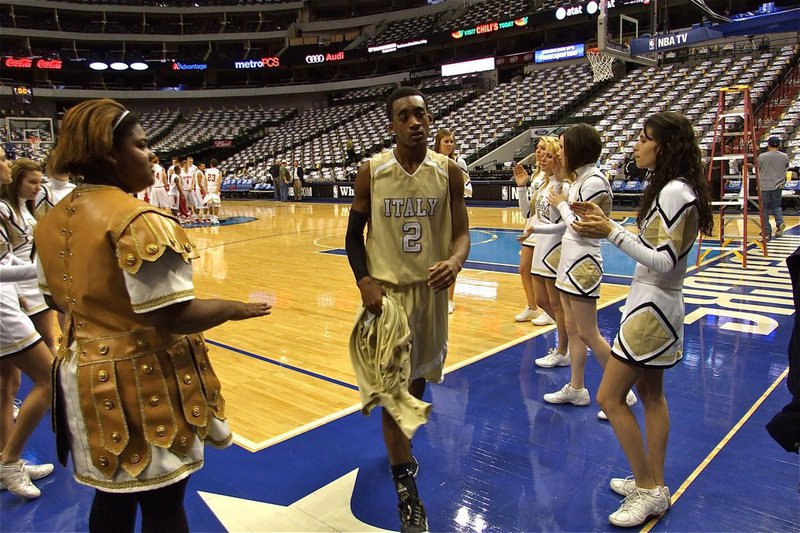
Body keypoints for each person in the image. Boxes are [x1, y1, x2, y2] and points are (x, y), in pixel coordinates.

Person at [34, 99, 271, 532]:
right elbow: (176, 316)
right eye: (142, 146)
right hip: (139, 380)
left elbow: (55, 300)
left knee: (112, 499)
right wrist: (236, 308)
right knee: (164, 505)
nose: (152, 155)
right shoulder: (138, 218)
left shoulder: (47, 221)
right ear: (111, 155)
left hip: (82, 375)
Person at [572, 111, 714, 527]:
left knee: (608, 398)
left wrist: (610, 232)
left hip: (652, 309)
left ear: (664, 147)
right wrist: (608, 227)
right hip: (656, 305)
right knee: (653, 397)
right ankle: (653, 482)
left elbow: (665, 261)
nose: (636, 143)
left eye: (644, 138)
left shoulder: (672, 191)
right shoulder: (678, 188)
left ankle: (648, 489)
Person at [345, 87, 470, 533]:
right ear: (392, 125)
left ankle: (399, 448)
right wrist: (363, 280)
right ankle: (407, 492)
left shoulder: (450, 173)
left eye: (421, 113)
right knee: (395, 395)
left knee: (416, 382)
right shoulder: (371, 173)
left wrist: (455, 262)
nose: (415, 121)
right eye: (404, 115)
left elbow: (462, 234)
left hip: (431, 297)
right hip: (389, 300)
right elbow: (352, 236)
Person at [541, 124, 636, 420]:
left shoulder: (594, 181)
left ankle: (624, 391)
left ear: (577, 149)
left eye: (562, 147)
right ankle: (577, 388)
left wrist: (561, 205)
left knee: (589, 332)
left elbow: (582, 227)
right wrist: (559, 182)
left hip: (583, 263)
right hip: (570, 261)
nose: (559, 152)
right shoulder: (582, 178)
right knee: (574, 330)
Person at [0, 147, 55, 499]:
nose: (6, 161)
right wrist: (40, 273)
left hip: (9, 299)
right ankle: (11, 460)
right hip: (2, 310)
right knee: (50, 377)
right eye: (0, 159)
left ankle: (6, 462)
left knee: (7, 386)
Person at [514, 136, 571, 368]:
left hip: (553, 246)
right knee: (541, 300)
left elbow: (564, 222)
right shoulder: (542, 183)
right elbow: (528, 214)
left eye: (549, 155)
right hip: (540, 243)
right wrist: (521, 188)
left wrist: (535, 228)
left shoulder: (563, 186)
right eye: (541, 154)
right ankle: (567, 338)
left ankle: (564, 348)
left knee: (556, 304)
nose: (543, 158)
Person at [0, 159, 59, 355]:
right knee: (46, 346)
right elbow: (7, 258)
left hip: (30, 281)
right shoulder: (4, 209)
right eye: (32, 182)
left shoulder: (26, 207)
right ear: (17, 181)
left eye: (40, 182)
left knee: (46, 343)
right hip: (19, 286)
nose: (38, 187)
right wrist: (17, 294)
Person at [513, 140, 553, 326]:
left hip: (545, 231)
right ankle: (533, 307)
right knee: (524, 269)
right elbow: (526, 212)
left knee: (542, 275)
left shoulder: (556, 179)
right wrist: (521, 187)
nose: (539, 152)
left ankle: (549, 310)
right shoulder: (537, 176)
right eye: (537, 148)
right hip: (532, 228)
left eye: (544, 149)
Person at [433, 128, 473, 314]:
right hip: (434, 212)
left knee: (451, 254)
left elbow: (469, 190)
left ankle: (449, 299)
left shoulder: (459, 162)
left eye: (451, 142)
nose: (449, 144)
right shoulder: (430, 160)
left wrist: (453, 186)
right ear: (438, 143)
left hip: (452, 212)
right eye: (446, 141)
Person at [758, 136, 789, 239]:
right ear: (779, 145)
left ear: (768, 144)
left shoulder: (762, 156)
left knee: (764, 209)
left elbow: (759, 168)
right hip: (778, 185)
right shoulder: (785, 156)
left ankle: (766, 230)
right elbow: (786, 167)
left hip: (764, 186)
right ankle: (780, 223)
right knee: (777, 207)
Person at [203, 159, 222, 225]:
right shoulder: (219, 172)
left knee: (209, 204)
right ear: (217, 165)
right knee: (216, 205)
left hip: (208, 189)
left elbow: (205, 181)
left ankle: (211, 218)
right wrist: (217, 191)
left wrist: (205, 190)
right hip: (215, 189)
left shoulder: (207, 171)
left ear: (211, 164)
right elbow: (218, 183)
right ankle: (215, 219)